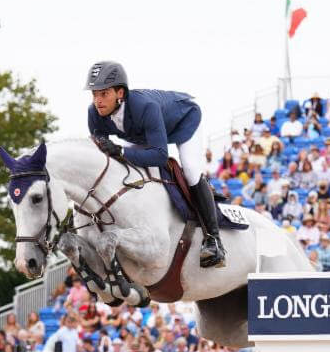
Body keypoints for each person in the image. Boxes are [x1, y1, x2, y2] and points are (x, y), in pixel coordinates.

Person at [85, 60, 225, 268]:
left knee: (191, 170)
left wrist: (121, 151)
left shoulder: (145, 107)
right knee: (123, 167)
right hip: (142, 132)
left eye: (104, 94)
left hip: (184, 121)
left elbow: (160, 155)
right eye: (94, 94)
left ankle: (214, 241)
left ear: (120, 93)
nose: (98, 101)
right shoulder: (94, 113)